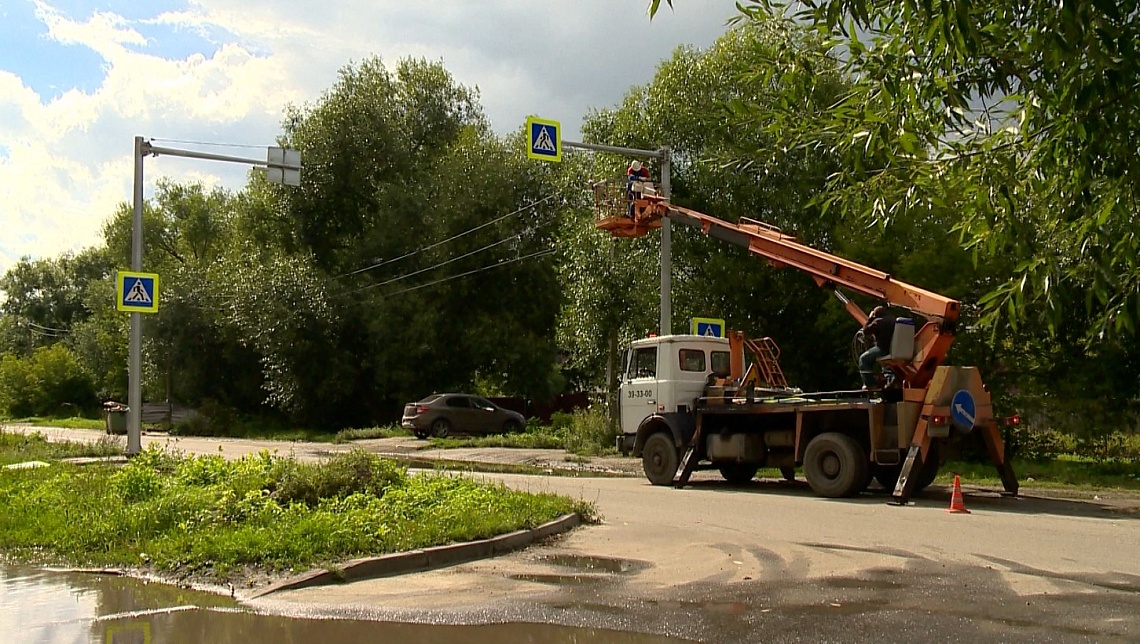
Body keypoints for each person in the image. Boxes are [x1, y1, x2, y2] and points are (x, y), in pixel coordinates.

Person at [858, 306, 895, 389]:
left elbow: (866, 330)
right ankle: (888, 380)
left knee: (863, 359)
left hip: (883, 348)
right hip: (895, 349)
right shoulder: (894, 320)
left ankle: (870, 384)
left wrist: (870, 318)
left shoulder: (878, 322)